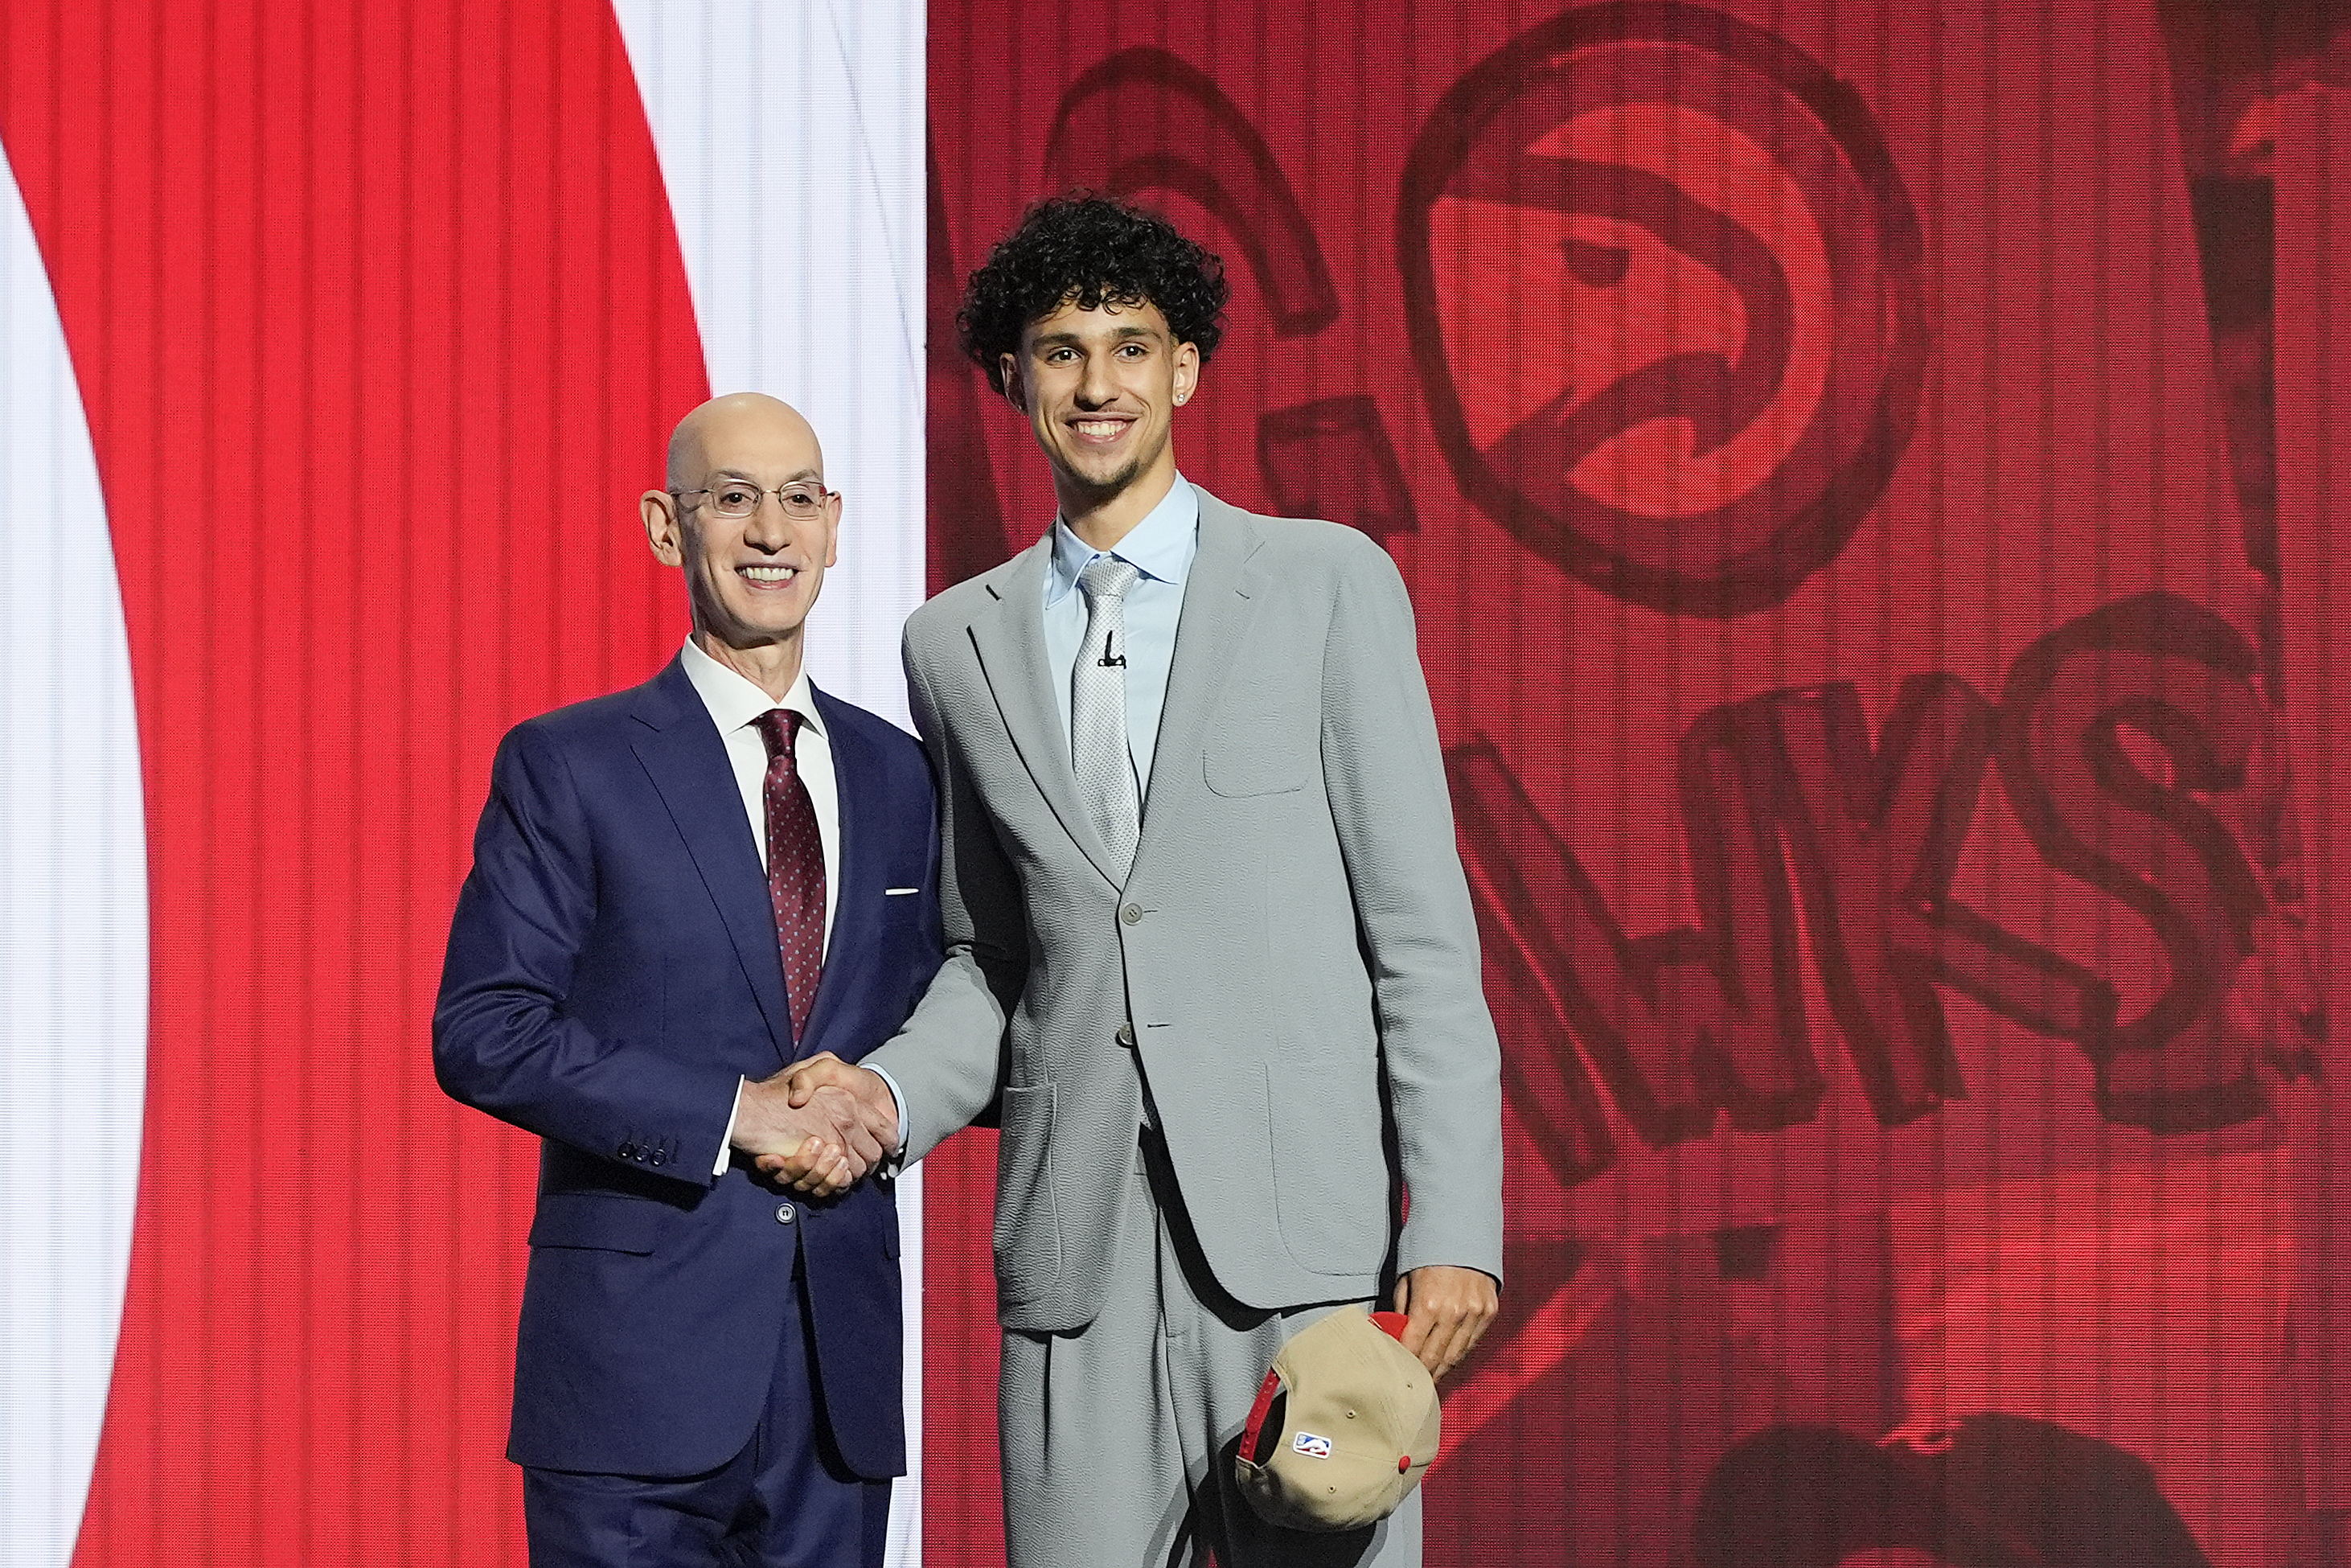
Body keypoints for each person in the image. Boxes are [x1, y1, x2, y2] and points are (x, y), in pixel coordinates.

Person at [790, 192, 1505, 1566]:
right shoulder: (953, 643)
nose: (1098, 381)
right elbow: (992, 962)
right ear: (1012, 376)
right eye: (1062, 349)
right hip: (1080, 1266)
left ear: (1185, 369)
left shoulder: (1322, 583)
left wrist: (1457, 1221)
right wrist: (882, 1094)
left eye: (1131, 345)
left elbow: (1419, 940)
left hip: (1305, 1266)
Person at [433, 393, 942, 1568]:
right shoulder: (569, 763)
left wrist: (886, 1102)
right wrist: (737, 1111)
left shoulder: (904, 774)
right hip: (628, 1387)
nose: (770, 529)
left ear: (835, 526)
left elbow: (953, 1012)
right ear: (669, 528)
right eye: (733, 498)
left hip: (836, 1389)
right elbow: (485, 1027)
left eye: (798, 498)